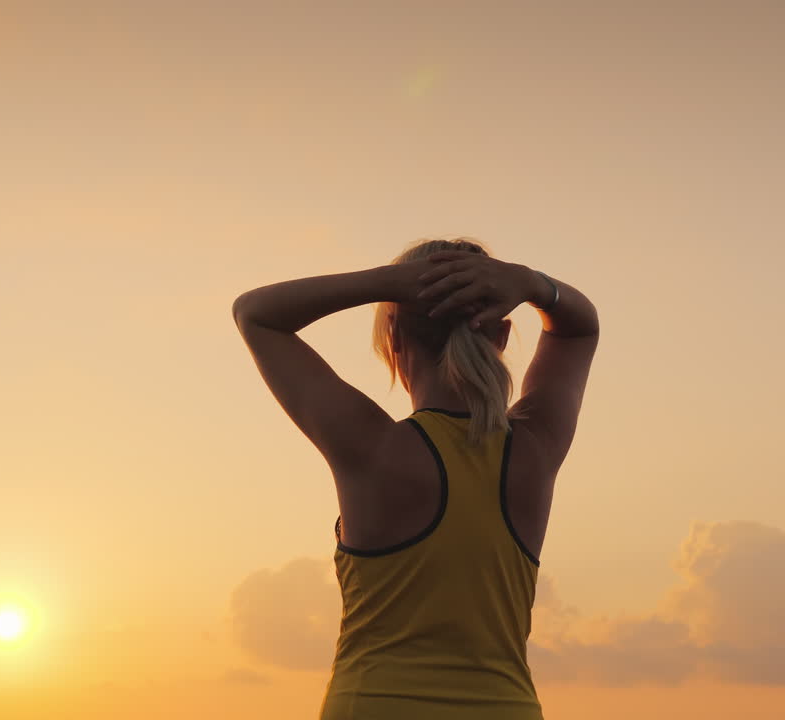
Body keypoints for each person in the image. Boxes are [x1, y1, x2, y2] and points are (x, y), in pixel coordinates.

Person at [231, 236, 600, 719]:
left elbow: (255, 313)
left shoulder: (371, 448)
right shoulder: (535, 446)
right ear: (502, 337)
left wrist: (387, 285)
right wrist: (532, 283)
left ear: (395, 338)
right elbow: (578, 329)